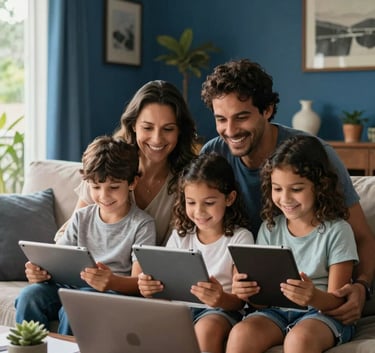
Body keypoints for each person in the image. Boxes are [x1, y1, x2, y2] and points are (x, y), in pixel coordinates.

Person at [200, 58, 375, 323]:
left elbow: (362, 236)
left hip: (313, 295)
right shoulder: (213, 154)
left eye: (242, 117)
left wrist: (362, 286)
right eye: (221, 119)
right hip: (250, 297)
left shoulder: (314, 154)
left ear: (267, 109)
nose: (230, 130)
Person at [227, 135, 359, 353]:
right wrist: (248, 293)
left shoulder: (338, 230)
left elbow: (339, 301)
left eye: (296, 189)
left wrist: (313, 296)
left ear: (319, 187)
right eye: (277, 189)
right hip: (276, 311)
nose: (285, 198)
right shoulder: (269, 228)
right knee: (241, 334)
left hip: (322, 313)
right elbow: (261, 303)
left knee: (299, 340)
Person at [15, 135, 156, 335]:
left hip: (110, 292)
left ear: (132, 182)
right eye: (96, 187)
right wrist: (40, 273)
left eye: (114, 187)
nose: (104, 196)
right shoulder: (82, 217)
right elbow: (58, 259)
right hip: (71, 286)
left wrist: (111, 281)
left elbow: (139, 283)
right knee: (31, 295)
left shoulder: (142, 224)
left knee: (75, 306)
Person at [56, 80, 197, 246]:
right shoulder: (108, 164)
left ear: (180, 131)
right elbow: (69, 234)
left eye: (168, 129)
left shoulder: (188, 181)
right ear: (134, 125)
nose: (157, 139)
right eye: (147, 127)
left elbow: (178, 251)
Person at [138, 153, 254, 353]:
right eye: (191, 202)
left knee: (205, 331)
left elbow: (239, 300)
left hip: (220, 310)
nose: (199, 212)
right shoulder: (181, 236)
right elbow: (166, 287)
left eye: (209, 203)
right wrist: (150, 289)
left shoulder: (240, 238)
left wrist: (219, 298)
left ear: (229, 198)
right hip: (180, 308)